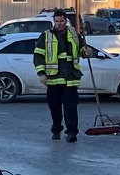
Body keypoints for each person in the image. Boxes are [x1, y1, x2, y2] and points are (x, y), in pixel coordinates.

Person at [35, 8, 84, 142]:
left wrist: (87, 51)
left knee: (71, 107)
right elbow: (38, 55)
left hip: (70, 79)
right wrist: (41, 73)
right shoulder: (45, 36)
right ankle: (56, 129)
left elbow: (82, 50)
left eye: (61, 21)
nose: (59, 24)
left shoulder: (74, 36)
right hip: (53, 79)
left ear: (66, 21)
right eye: (56, 21)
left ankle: (71, 132)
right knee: (55, 108)